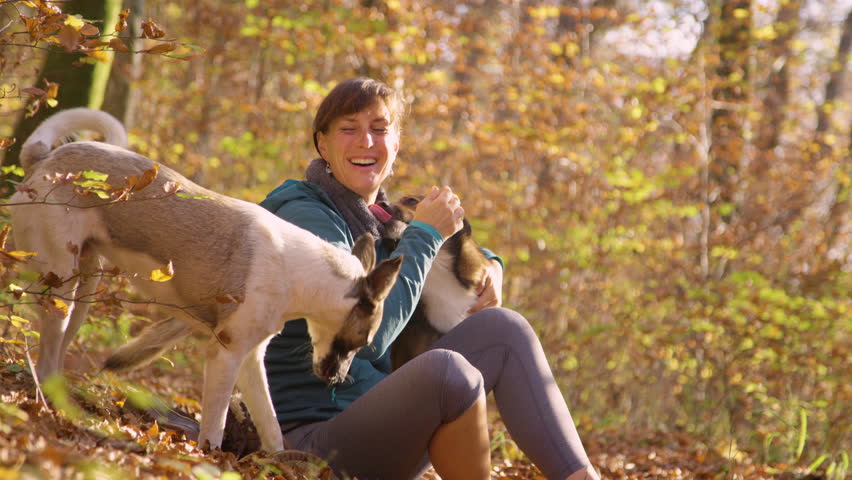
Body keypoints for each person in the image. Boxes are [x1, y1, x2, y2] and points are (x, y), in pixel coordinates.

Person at [259, 77, 600, 480]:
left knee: (504, 329)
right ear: (323, 145)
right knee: (447, 373)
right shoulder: (306, 215)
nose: (366, 141)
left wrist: (492, 267)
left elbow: (452, 253)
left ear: (396, 145)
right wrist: (428, 234)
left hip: (381, 424)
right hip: (309, 443)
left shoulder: (379, 216)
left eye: (380, 129)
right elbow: (367, 336)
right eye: (348, 129)